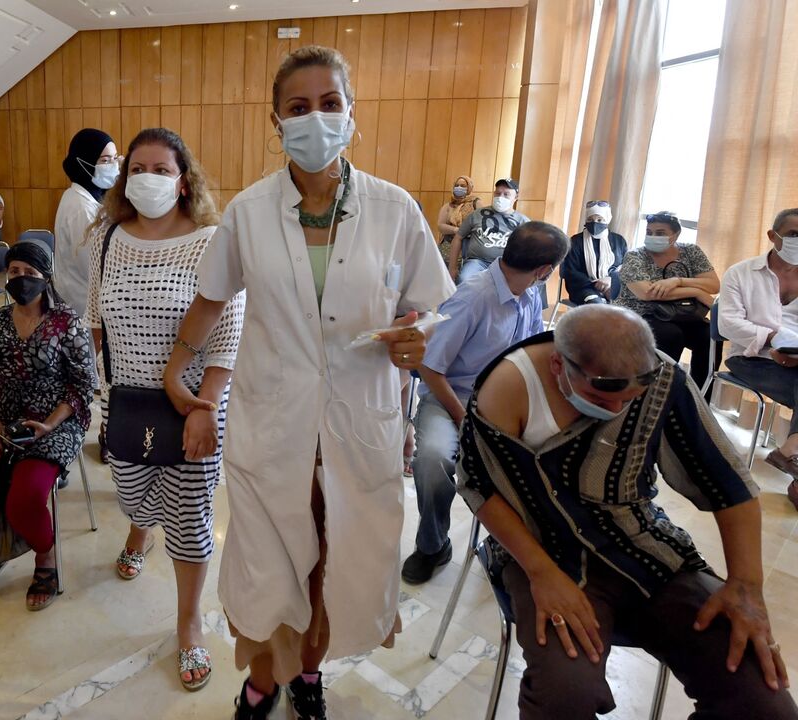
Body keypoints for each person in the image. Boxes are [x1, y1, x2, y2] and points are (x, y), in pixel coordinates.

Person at [165, 46, 453, 719]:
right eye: (298, 107)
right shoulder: (249, 211)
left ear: (350, 114)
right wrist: (177, 369)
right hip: (274, 423)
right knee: (267, 571)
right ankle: (263, 680)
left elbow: (427, 310)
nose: (315, 118)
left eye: (329, 103)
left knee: (333, 565)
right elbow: (210, 298)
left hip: (360, 425)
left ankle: (309, 676)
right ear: (277, 121)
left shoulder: (394, 209)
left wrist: (416, 336)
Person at [456, 304, 796, 720]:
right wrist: (542, 573)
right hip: (542, 551)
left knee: (763, 697)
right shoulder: (509, 384)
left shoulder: (662, 379)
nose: (617, 411)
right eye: (601, 399)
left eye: (628, 401)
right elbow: (479, 484)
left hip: (641, 546)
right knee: (565, 695)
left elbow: (727, 482)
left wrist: (746, 586)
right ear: (559, 364)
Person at [87, 127, 245, 693]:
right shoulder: (107, 238)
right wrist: (97, 393)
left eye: (161, 169)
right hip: (126, 403)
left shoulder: (211, 241)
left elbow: (227, 333)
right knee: (134, 494)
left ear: (183, 182)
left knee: (190, 519)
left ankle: (188, 624)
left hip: (194, 405)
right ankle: (140, 532)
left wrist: (208, 406)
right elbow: (97, 321)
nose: (147, 178)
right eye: (137, 169)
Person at [402, 221, 567, 585]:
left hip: (503, 404)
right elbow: (429, 368)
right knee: (433, 459)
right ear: (544, 270)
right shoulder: (473, 297)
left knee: (551, 457)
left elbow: (530, 353)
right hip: (452, 399)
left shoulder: (531, 293)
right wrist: (464, 420)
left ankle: (514, 549)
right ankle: (432, 545)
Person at [0, 241, 95, 612]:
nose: (20, 278)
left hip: (54, 422)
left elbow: (83, 386)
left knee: (25, 500)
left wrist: (49, 424)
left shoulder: (67, 322)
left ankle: (45, 556)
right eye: (14, 271)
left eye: (30, 273)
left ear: (46, 278)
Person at [719, 207, 798, 511]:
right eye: (793, 234)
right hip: (750, 356)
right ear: (772, 236)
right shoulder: (741, 273)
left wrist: (793, 353)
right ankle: (790, 457)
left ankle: (791, 453)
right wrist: (773, 339)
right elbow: (728, 325)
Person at [614, 210, 720, 392]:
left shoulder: (691, 252)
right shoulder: (635, 256)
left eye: (660, 233)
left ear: (675, 235)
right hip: (642, 313)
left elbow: (713, 285)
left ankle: (698, 399)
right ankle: (658, 394)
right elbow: (647, 293)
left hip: (683, 313)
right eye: (649, 232)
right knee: (671, 335)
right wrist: (696, 291)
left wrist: (677, 281)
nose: (653, 237)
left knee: (710, 336)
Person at [54, 128, 119, 317]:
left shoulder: (86, 197)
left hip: (88, 302)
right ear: (84, 162)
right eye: (105, 160)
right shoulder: (81, 209)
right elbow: (94, 267)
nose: (114, 166)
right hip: (84, 305)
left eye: (115, 158)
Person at [450, 177, 529, 284]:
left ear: (516, 197)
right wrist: (452, 268)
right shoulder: (477, 214)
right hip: (477, 262)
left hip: (506, 265)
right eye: (498, 193)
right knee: (464, 280)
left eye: (506, 194)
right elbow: (458, 237)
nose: (500, 197)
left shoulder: (523, 221)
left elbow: (530, 249)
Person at [561, 200, 627, 305]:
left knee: (623, 303)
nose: (595, 223)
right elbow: (570, 271)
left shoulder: (619, 241)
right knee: (596, 304)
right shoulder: (575, 241)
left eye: (600, 219)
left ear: (607, 220)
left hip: (612, 284)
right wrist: (596, 284)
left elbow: (624, 266)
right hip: (583, 287)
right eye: (590, 219)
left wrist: (611, 280)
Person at [435, 174, 482, 270]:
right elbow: (440, 225)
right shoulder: (448, 206)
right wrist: (456, 230)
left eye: (463, 186)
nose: (459, 187)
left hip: (469, 245)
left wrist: (465, 232)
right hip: (448, 245)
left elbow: (481, 223)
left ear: (469, 188)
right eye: (457, 185)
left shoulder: (475, 203)